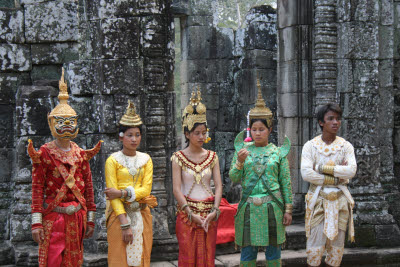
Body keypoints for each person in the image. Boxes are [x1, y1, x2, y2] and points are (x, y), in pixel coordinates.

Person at [28, 69, 102, 267]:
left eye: (70, 122)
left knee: (74, 260)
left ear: (76, 124)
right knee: (53, 260)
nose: (67, 126)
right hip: (54, 216)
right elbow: (37, 189)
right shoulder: (44, 153)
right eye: (61, 122)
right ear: (52, 124)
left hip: (77, 216)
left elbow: (88, 188)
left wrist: (91, 218)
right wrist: (36, 222)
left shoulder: (81, 154)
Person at [229, 79, 293, 267]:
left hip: (272, 206)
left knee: (274, 253)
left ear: (270, 130)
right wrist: (240, 162)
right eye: (254, 129)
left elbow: (285, 183)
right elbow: (234, 178)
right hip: (248, 206)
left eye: (261, 129)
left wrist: (288, 209)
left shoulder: (278, 153)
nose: (257, 133)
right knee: (247, 252)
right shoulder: (242, 151)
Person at [301, 103, 357, 267]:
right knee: (314, 247)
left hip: (340, 201)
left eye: (338, 119)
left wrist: (320, 168)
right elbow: (306, 174)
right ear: (321, 122)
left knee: (336, 248)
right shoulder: (310, 146)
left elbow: (351, 171)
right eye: (330, 119)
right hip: (318, 200)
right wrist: (337, 177)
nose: (335, 122)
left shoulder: (345, 146)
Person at [171, 89, 223, 266]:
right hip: (187, 214)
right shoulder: (178, 157)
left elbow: (219, 186)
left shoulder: (212, 156)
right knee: (187, 256)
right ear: (187, 134)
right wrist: (189, 212)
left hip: (209, 212)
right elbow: (176, 189)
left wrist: (215, 210)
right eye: (197, 133)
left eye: (204, 132)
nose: (202, 136)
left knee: (208, 257)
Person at [104, 100, 157, 267]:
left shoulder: (146, 159)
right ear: (121, 137)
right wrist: (125, 224)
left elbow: (146, 190)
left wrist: (122, 193)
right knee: (119, 259)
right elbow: (111, 196)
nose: (134, 139)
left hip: (142, 214)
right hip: (119, 216)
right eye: (129, 135)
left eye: (137, 135)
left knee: (142, 257)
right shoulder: (112, 160)